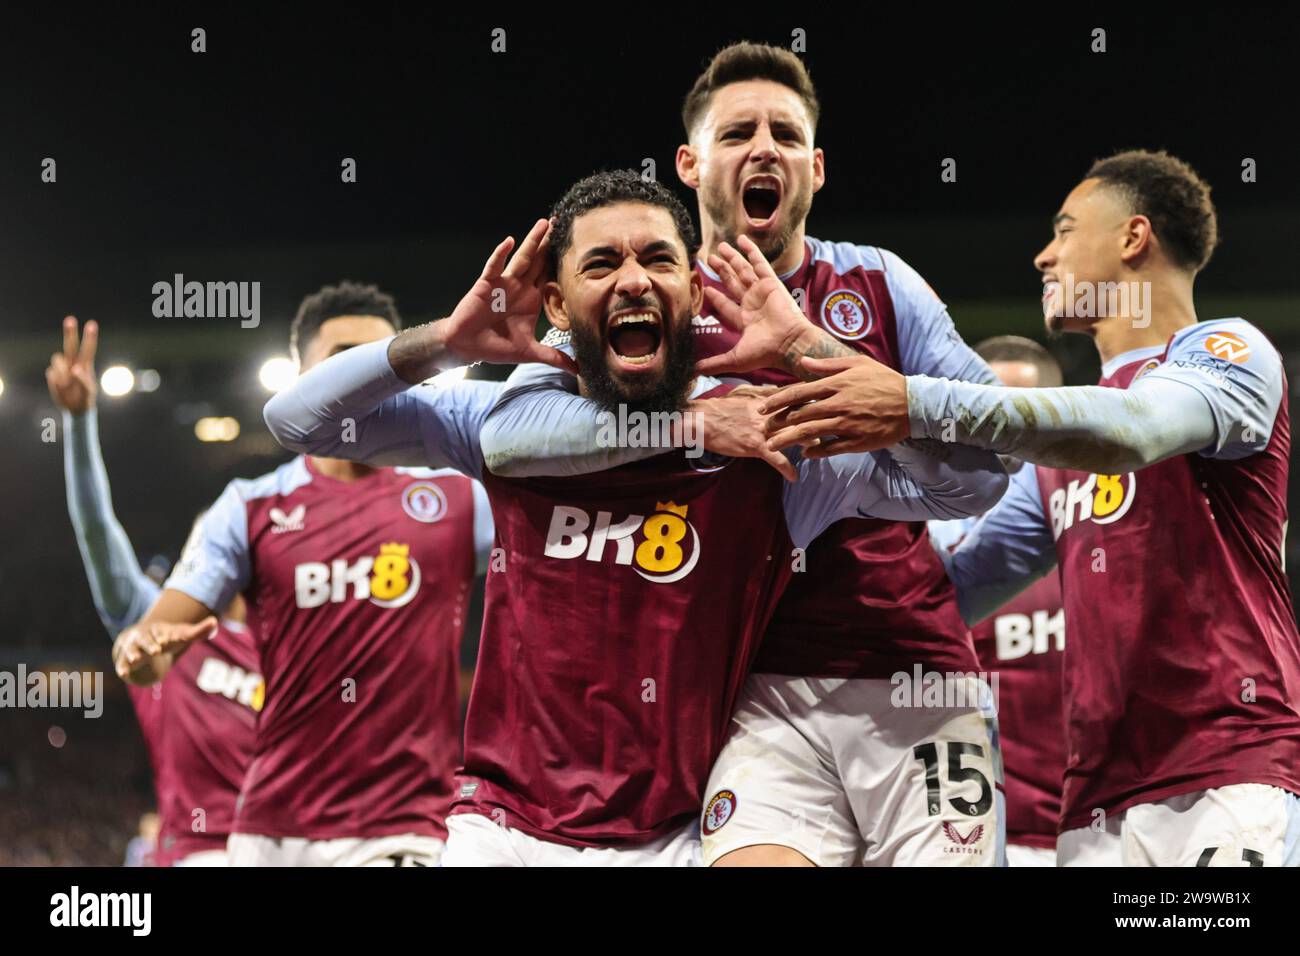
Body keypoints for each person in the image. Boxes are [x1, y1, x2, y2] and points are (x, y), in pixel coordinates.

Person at [259, 172, 1008, 865]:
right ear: (555, 305)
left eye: (658, 259)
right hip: (503, 832)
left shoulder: (764, 447)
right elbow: (297, 421)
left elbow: (970, 486)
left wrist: (815, 352)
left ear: (693, 286)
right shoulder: (495, 423)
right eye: (600, 264)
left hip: (677, 838)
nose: (633, 279)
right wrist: (445, 343)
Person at [479, 42, 1007, 867]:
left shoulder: (882, 284)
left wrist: (811, 350)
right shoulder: (641, 291)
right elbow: (511, 432)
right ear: (690, 164)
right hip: (746, 691)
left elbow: (990, 462)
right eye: (737, 134)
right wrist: (694, 427)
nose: (764, 148)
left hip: (910, 669)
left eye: (786, 135)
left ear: (816, 168)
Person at [762, 150, 1300, 866]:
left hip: (1224, 778)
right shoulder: (1055, 465)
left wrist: (913, 402)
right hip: (1095, 807)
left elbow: (1135, 429)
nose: (1044, 256)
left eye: (1066, 230)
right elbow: (940, 593)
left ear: (1133, 238)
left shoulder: (1230, 353)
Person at [115, 283, 496, 866]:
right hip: (270, 833)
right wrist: (141, 650)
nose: (363, 381)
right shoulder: (247, 507)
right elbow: (158, 647)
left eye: (379, 363)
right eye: (342, 361)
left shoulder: (459, 500)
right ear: (302, 378)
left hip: (405, 828)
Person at [49, 316, 258, 866]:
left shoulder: (288, 640)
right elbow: (98, 534)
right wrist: (78, 423)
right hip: (198, 855)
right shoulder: (160, 625)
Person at [929, 336, 1066, 867]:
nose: (1002, 445)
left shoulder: (1094, 531)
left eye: (1017, 424)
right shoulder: (923, 549)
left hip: (1111, 831)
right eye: (983, 421)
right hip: (973, 840)